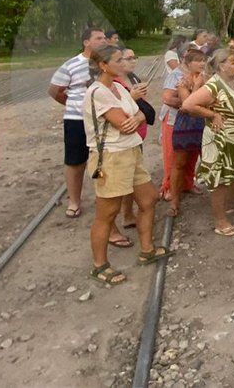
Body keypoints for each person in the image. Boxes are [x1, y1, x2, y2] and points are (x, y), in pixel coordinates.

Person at [83, 45, 171, 286]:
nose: (125, 63)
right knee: (107, 213)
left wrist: (134, 116)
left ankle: (147, 249)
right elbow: (126, 124)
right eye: (119, 60)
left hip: (131, 151)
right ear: (103, 65)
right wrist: (134, 117)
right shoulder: (98, 92)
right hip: (112, 156)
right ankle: (99, 265)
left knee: (149, 199)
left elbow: (143, 114)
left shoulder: (118, 88)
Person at [181, 49, 234, 236]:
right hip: (220, 138)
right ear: (221, 65)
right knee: (219, 179)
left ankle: (230, 205)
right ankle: (220, 221)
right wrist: (212, 114)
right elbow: (188, 105)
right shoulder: (214, 85)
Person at [49, 27, 107, 218]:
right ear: (86, 42)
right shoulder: (71, 64)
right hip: (77, 120)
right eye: (99, 38)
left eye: (105, 37)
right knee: (75, 161)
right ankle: (74, 201)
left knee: (104, 159)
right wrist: (74, 105)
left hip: (103, 119)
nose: (103, 40)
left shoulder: (106, 63)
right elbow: (55, 90)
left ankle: (105, 198)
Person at [112, 47, 155, 241]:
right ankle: (114, 226)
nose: (132, 61)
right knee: (115, 188)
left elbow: (141, 110)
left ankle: (128, 214)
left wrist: (140, 112)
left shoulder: (133, 78)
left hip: (135, 139)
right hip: (118, 145)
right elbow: (116, 111)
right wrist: (134, 100)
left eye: (133, 57)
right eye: (127, 58)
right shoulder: (111, 84)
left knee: (131, 181)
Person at [162, 50, 206, 214]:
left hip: (203, 123)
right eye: (197, 61)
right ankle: (174, 199)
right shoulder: (181, 79)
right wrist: (196, 86)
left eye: (203, 60)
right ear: (188, 63)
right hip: (185, 124)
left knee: (206, 159)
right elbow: (188, 103)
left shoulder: (206, 78)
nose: (201, 64)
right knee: (178, 162)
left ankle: (190, 185)